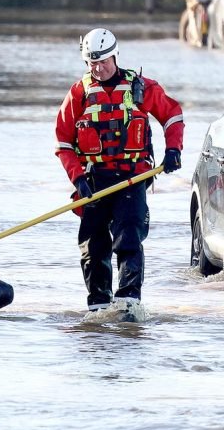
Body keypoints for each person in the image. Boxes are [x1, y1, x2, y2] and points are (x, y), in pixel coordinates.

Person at [55, 28, 184, 318]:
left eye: (103, 62)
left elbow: (173, 115)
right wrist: (77, 178)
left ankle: (128, 302)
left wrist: (173, 150)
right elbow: (63, 143)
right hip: (93, 181)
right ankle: (98, 306)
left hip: (132, 178)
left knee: (128, 238)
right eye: (92, 64)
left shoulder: (141, 87)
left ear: (115, 55)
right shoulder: (79, 93)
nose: (98, 69)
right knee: (93, 246)